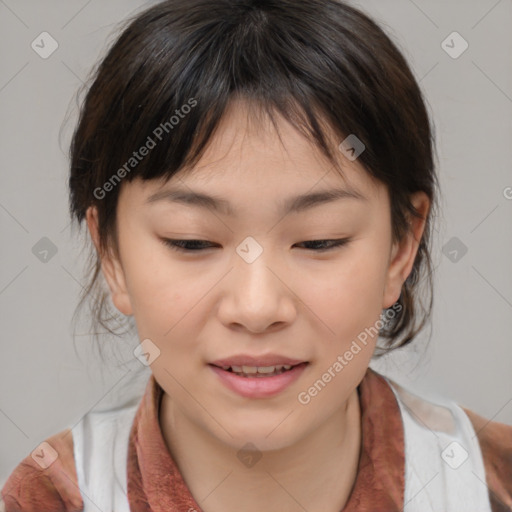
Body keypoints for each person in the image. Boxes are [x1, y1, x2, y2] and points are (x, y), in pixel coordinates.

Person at [2, 0, 511, 511]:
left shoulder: (491, 484)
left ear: (402, 247)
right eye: (192, 242)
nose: (257, 307)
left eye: (319, 241)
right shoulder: (51, 498)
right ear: (110, 252)